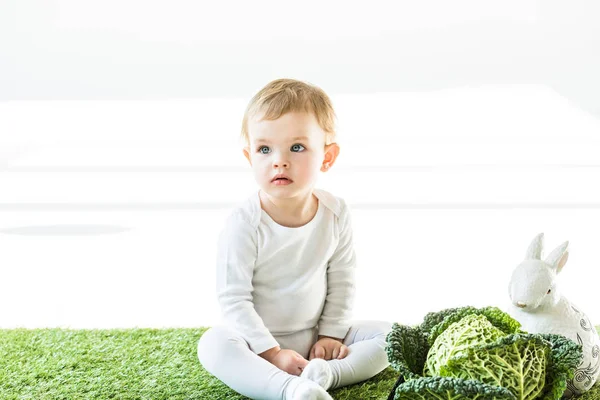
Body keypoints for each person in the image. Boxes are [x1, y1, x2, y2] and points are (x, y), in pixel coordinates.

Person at [197, 78, 391, 400]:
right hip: (257, 345)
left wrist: (330, 335)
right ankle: (290, 389)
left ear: (327, 158)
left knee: (390, 335)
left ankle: (324, 375)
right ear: (250, 157)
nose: (279, 160)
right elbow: (234, 300)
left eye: (296, 147)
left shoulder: (335, 213)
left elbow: (343, 280)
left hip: (315, 336)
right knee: (213, 345)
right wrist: (271, 353)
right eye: (264, 149)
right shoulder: (245, 224)